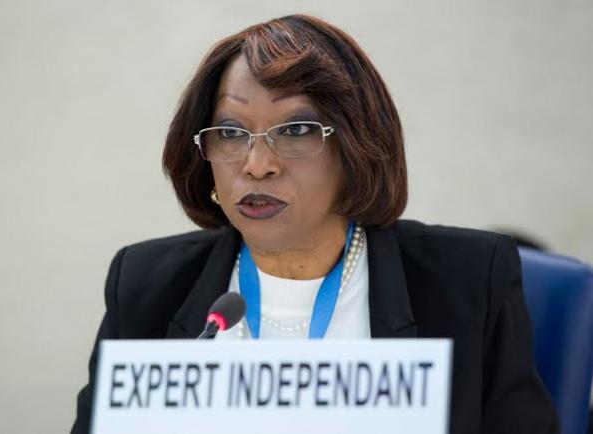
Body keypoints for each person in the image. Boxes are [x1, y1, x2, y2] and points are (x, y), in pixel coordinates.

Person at [70, 14, 559, 434]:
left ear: (356, 146)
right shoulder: (145, 286)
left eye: (297, 129)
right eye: (231, 133)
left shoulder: (467, 281)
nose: (257, 164)